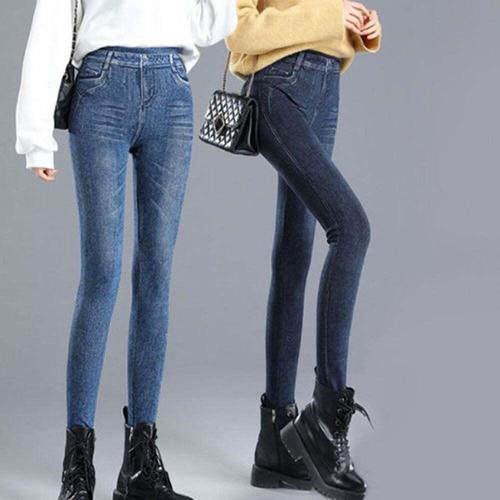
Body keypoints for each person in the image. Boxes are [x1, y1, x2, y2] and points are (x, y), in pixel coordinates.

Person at [15, 1, 236, 499]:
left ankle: (141, 465)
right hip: (103, 85)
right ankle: (78, 465)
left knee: (156, 275)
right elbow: (53, 18)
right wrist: (35, 136)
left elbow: (212, 23)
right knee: (102, 273)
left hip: (172, 87)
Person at [226, 0, 381, 497]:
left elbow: (324, 16)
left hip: (325, 86)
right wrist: (330, 19)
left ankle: (276, 440)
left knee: (295, 255)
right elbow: (239, 29)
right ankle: (324, 418)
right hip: (280, 87)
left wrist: (359, 28)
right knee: (351, 229)